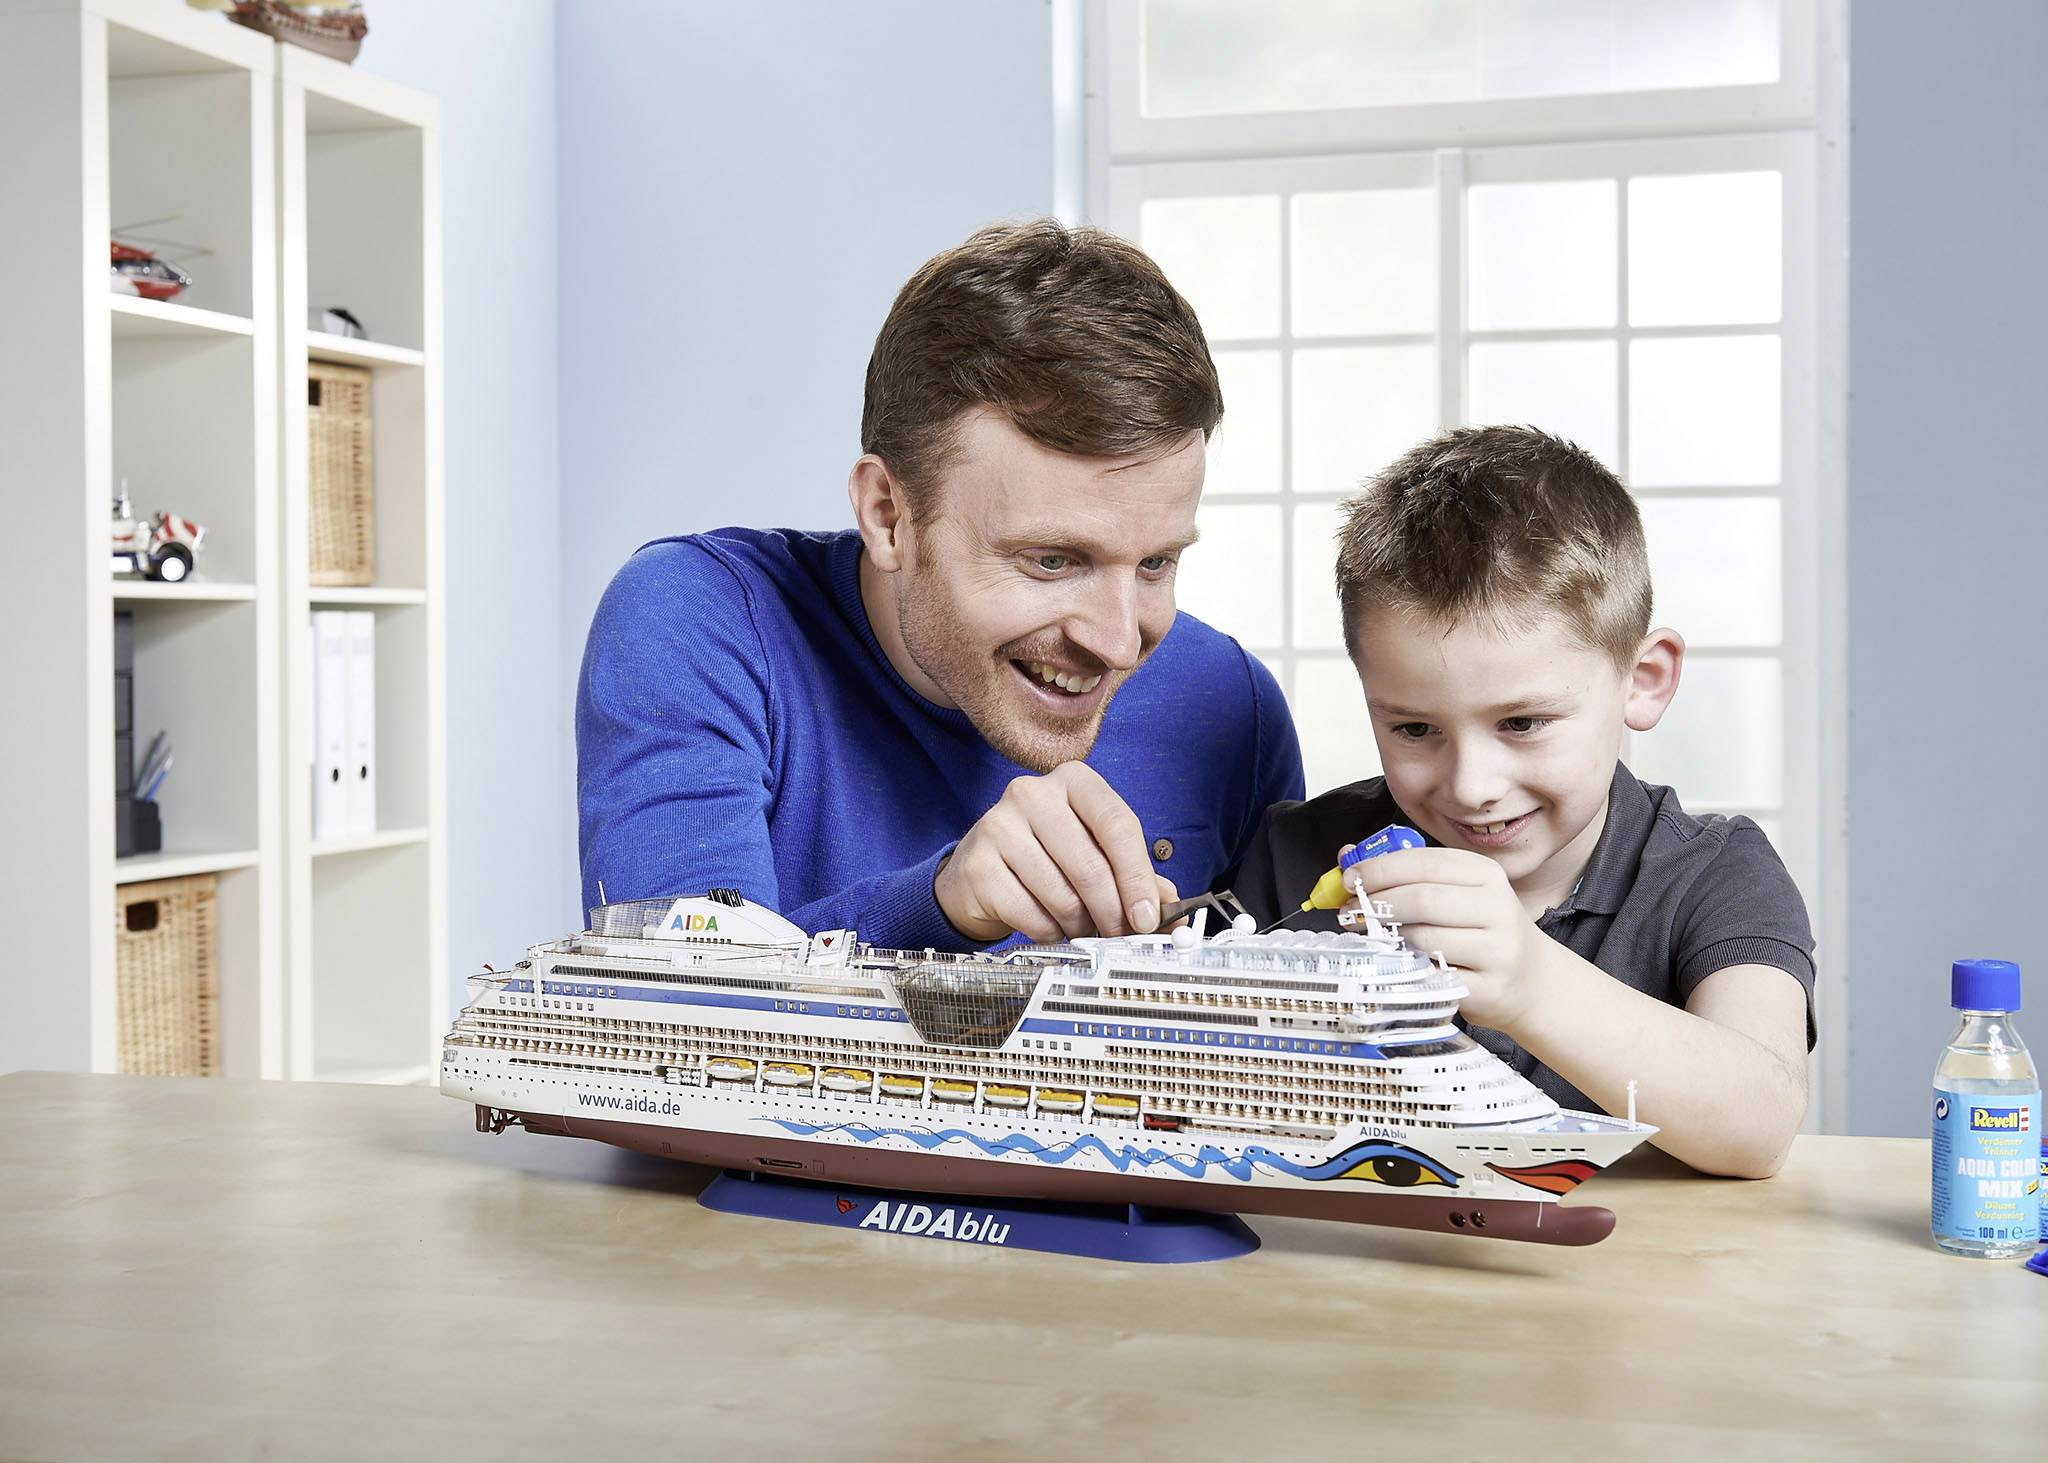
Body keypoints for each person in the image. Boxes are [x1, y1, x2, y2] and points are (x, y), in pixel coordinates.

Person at [577, 220, 1303, 952]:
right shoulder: (693, 625)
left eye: (1155, 563)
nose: (1117, 643)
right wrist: (941, 905)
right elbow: (681, 1011)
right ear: (889, 515)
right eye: (1051, 561)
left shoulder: (1233, 708)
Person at [1227, 426, 1812, 1178]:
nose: (1471, 784)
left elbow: (1759, 1125)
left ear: (1643, 679)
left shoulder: (1716, 874)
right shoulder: (1298, 854)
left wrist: (1532, 983)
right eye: (1414, 727)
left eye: (1522, 723)